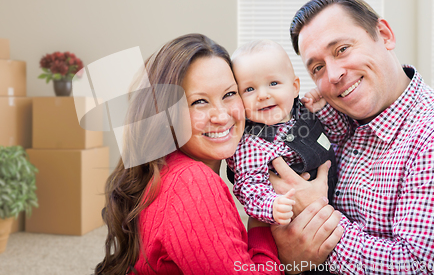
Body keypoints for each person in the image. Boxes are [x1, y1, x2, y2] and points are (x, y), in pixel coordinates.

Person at [93, 33, 344, 275]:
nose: (222, 116)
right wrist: (278, 250)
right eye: (199, 102)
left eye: (229, 94)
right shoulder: (192, 184)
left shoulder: (166, 168)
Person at [270, 0, 434, 274]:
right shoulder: (329, 123)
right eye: (318, 67)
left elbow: (422, 267)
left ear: (385, 35)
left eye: (342, 49)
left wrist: (316, 221)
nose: (334, 74)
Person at [225, 40, 340, 225]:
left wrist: (323, 109)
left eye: (273, 83)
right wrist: (272, 206)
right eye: (249, 89)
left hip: (339, 204)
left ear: (294, 87)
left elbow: (338, 137)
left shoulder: (303, 111)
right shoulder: (251, 143)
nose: (262, 95)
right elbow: (249, 187)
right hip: (295, 221)